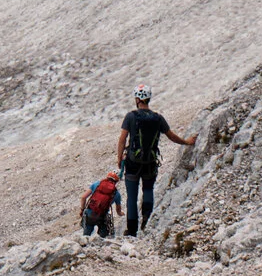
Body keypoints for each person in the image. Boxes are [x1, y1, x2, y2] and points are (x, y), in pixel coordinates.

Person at [116, 84, 197, 236]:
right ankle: (146, 220)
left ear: (137, 99)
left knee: (132, 197)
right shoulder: (158, 118)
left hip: (133, 162)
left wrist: (119, 157)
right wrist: (187, 142)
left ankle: (132, 230)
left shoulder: (131, 116)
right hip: (150, 162)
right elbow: (171, 136)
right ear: (148, 98)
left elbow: (122, 139)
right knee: (148, 190)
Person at [80, 170, 123, 237]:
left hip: (90, 212)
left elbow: (83, 197)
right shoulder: (116, 193)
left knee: (86, 234)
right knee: (104, 235)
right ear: (116, 182)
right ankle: (102, 243)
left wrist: (82, 210)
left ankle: (84, 244)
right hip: (102, 216)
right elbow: (118, 211)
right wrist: (121, 214)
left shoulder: (96, 184)